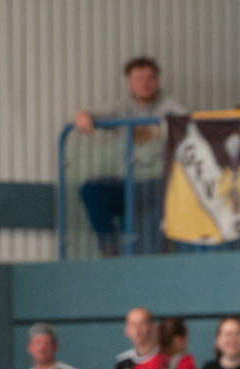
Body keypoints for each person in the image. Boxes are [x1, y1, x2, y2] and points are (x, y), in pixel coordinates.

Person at [74, 57, 187, 255]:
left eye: (150, 77)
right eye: (139, 78)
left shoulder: (169, 105)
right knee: (91, 190)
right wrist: (82, 116)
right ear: (130, 84)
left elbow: (187, 122)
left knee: (164, 203)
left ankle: (159, 258)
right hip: (127, 184)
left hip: (158, 183)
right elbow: (89, 115)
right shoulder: (121, 107)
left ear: (157, 81)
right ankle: (109, 249)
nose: (145, 83)